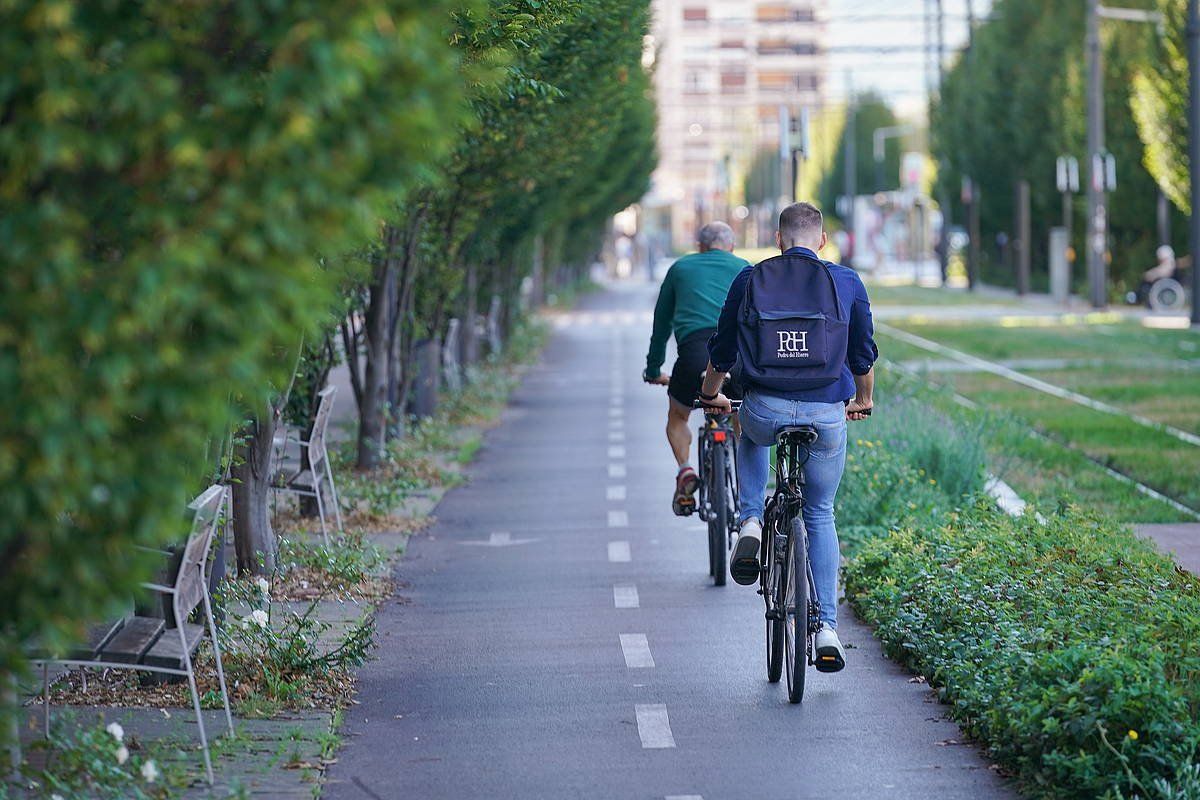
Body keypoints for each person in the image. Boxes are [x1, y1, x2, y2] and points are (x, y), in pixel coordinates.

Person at [700, 202, 877, 672]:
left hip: (765, 406)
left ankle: (752, 521)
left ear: (779, 239)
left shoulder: (751, 278)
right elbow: (863, 353)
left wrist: (710, 393)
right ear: (821, 240)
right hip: (826, 414)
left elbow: (723, 347)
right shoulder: (847, 281)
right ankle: (826, 628)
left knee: (750, 431)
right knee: (819, 512)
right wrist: (862, 399)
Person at [643, 221, 750, 515]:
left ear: (700, 247)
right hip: (736, 357)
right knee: (742, 416)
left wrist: (653, 370)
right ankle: (746, 480)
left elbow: (661, 325)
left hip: (692, 356)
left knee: (678, 416)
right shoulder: (744, 267)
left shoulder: (680, 268)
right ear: (731, 246)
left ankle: (686, 469)